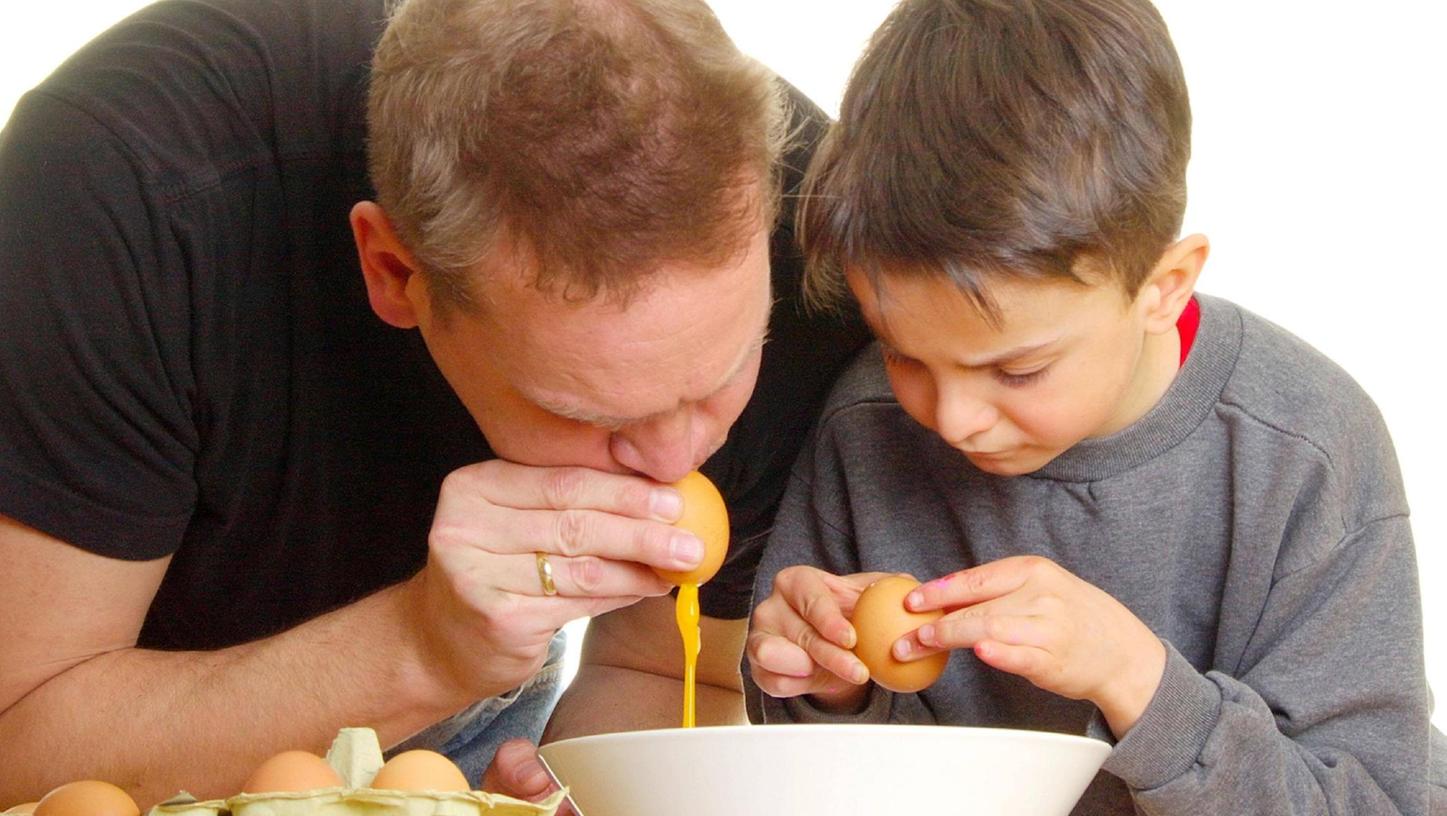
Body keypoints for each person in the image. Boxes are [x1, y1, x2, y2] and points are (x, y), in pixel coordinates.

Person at [0, 0, 867, 806]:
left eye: (719, 375)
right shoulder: (127, 186)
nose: (677, 464)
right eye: (593, 417)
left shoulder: (813, 238)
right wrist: (422, 646)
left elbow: (662, 668)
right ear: (393, 271)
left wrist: (579, 787)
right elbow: (18, 735)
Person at [743, 0, 1445, 812]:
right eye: (903, 353)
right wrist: (826, 690)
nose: (954, 416)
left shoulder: (1299, 448)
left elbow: (1368, 800)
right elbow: (843, 785)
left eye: (1018, 370)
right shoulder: (863, 425)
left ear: (1162, 286)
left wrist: (1136, 679)